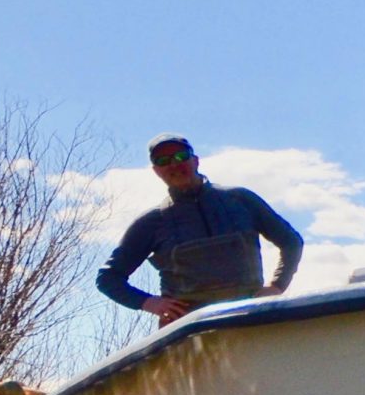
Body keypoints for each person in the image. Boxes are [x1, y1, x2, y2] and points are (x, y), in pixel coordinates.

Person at [96, 135, 304, 325]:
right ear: (156, 171)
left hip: (250, 318)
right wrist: (149, 303)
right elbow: (108, 278)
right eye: (163, 161)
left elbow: (291, 242)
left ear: (195, 160)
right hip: (188, 330)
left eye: (181, 156)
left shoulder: (240, 200)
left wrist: (277, 285)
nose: (174, 164)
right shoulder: (151, 222)